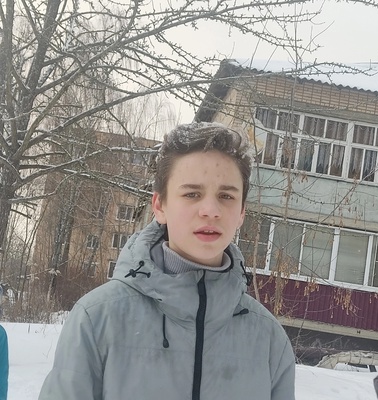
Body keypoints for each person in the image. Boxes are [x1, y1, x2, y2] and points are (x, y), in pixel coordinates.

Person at [39, 122, 295, 400]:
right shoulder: (97, 319)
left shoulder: (269, 342)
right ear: (159, 206)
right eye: (192, 194)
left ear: (242, 212)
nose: (211, 210)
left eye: (226, 196)